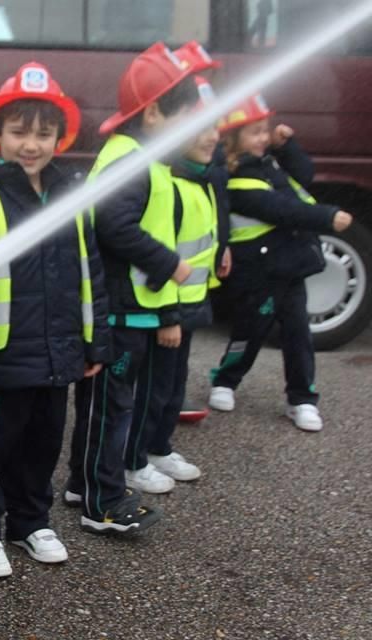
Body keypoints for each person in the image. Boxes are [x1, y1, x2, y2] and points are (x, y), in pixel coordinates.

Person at [0, 62, 110, 578]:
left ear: (61, 137)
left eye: (43, 133)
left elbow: (91, 273)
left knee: (42, 446)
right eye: (19, 132)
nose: (31, 144)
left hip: (60, 355)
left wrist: (94, 344)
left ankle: (29, 521)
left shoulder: (71, 195)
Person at [63, 43, 199, 534]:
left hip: (133, 309)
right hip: (119, 311)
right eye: (184, 116)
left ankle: (84, 484)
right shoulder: (130, 158)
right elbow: (114, 225)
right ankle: (101, 501)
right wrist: (170, 264)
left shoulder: (140, 155)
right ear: (157, 111)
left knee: (106, 406)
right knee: (109, 408)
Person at [208, 94, 353, 431]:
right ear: (233, 140)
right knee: (249, 331)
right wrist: (328, 217)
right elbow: (283, 209)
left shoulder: (268, 162)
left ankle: (301, 399)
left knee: (299, 335)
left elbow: (304, 175)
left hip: (289, 269)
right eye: (255, 132)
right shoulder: (238, 179)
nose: (264, 137)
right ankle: (226, 380)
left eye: (265, 130)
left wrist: (287, 146)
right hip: (259, 273)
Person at [124, 66, 229, 493]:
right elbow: (159, 253)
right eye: (201, 127)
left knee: (173, 384)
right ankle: (136, 456)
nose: (212, 136)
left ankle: (158, 446)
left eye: (216, 126)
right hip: (168, 307)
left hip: (189, 304)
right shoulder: (169, 180)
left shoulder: (200, 178)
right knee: (152, 386)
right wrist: (168, 313)